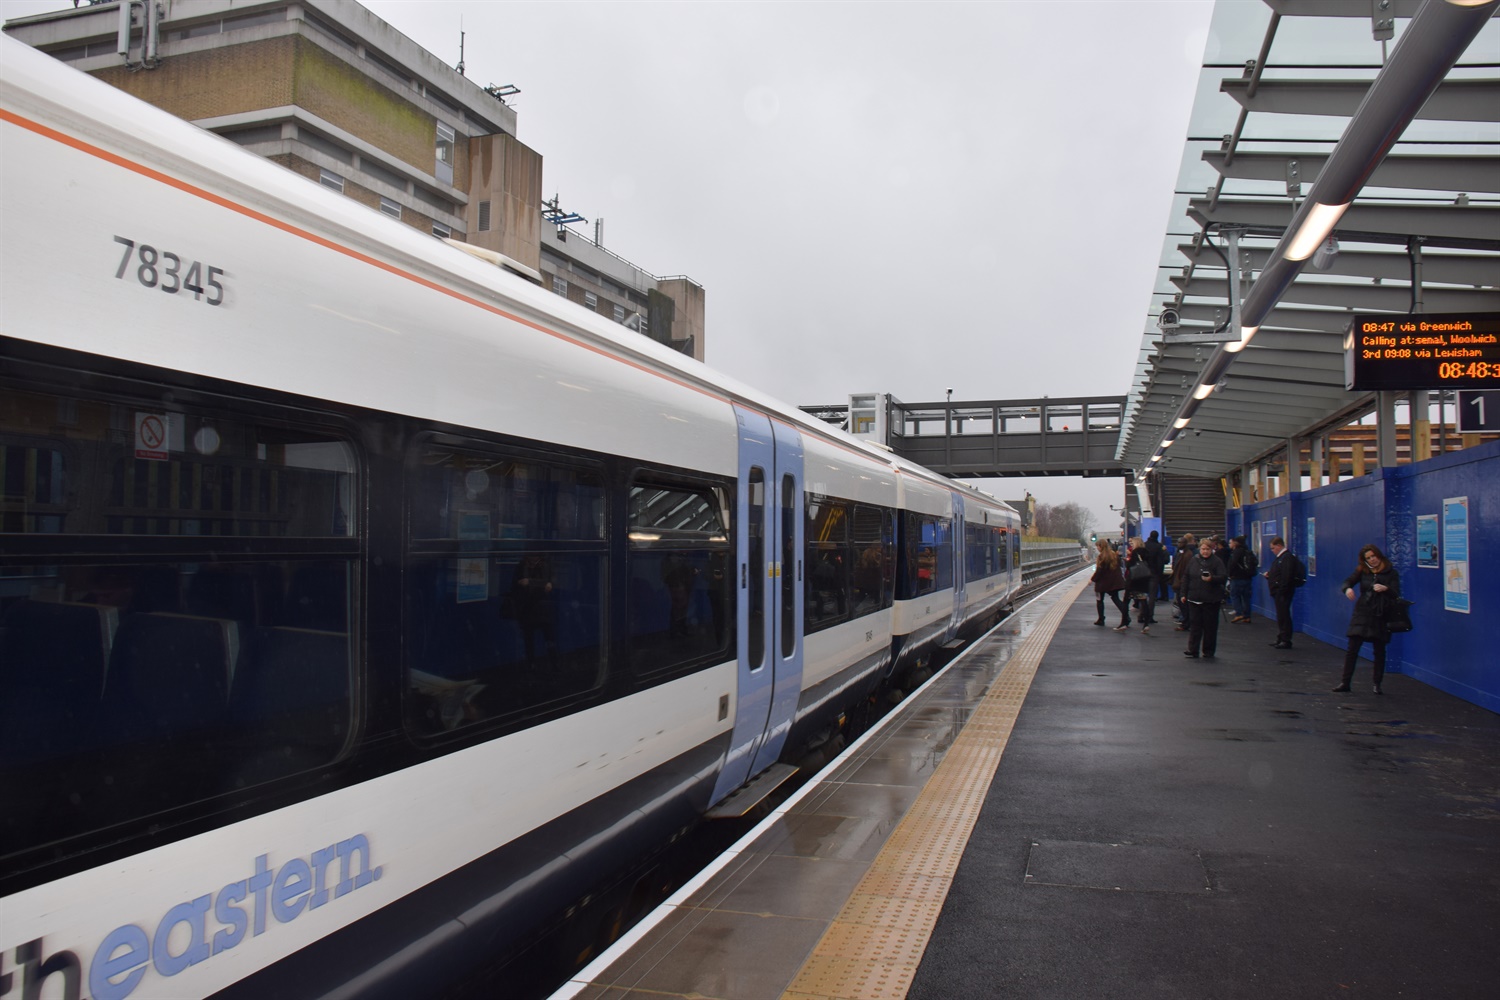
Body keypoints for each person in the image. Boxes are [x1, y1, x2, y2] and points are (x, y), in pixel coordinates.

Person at [1334, 543, 1400, 694]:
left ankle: (1377, 683)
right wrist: (1347, 589)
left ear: (1378, 555)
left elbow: (1396, 593)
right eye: (1368, 558)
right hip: (1362, 612)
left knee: (1379, 650)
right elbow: (1348, 581)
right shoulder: (1362, 571)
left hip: (1380, 614)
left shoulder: (1391, 573)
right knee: (1352, 648)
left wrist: (1386, 589)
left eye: (1373, 556)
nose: (1372, 560)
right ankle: (1345, 682)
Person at [1181, 538, 1227, 659]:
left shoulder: (1217, 562)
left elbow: (1223, 577)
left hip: (1211, 600)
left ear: (1211, 549)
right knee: (1195, 625)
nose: (1205, 551)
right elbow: (1186, 577)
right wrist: (1183, 594)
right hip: (1194, 598)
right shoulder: (1193, 560)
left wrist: (1212, 579)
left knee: (1210, 627)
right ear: (1199, 549)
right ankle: (1193, 650)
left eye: (1207, 549)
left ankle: (1208, 651)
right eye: (1203, 549)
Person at [1262, 536, 1303, 649]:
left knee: (1284, 615)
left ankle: (1285, 639)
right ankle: (1281, 637)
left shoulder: (1286, 558)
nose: (1272, 550)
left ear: (1279, 546)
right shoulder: (1282, 558)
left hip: (1283, 592)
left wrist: (1281, 590)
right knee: (1281, 615)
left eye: (1273, 548)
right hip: (1281, 591)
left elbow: (1286, 576)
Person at [1090, 538, 1129, 630]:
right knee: (1116, 599)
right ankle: (1126, 617)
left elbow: (1099, 571)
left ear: (1100, 546)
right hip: (1114, 582)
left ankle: (1101, 619)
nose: (1097, 548)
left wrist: (1092, 579)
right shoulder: (1114, 555)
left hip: (1102, 583)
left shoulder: (1101, 557)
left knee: (1099, 601)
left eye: (1098, 547)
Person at [1124, 537, 1156, 633]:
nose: (1131, 545)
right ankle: (1146, 624)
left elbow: (1129, 566)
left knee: (1126, 600)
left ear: (1136, 544)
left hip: (1134, 581)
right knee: (1143, 602)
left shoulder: (1135, 553)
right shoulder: (1147, 552)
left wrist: (1127, 559)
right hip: (1143, 580)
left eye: (1132, 543)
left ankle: (1124, 622)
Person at [1226, 536, 1258, 623]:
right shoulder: (1248, 551)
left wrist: (1229, 574)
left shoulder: (1236, 552)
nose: (1230, 544)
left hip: (1237, 577)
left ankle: (1238, 613)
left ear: (1236, 543)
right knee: (1246, 597)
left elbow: (1233, 563)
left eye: (1231, 542)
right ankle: (1247, 616)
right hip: (1248, 577)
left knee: (1234, 595)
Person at [1171, 533, 1197, 629]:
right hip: (1180, 580)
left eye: (1180, 542)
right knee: (1181, 602)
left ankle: (1186, 622)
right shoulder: (1182, 553)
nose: (1178, 544)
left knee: (1183, 602)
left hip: (1183, 580)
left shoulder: (1187, 554)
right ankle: (1186, 621)